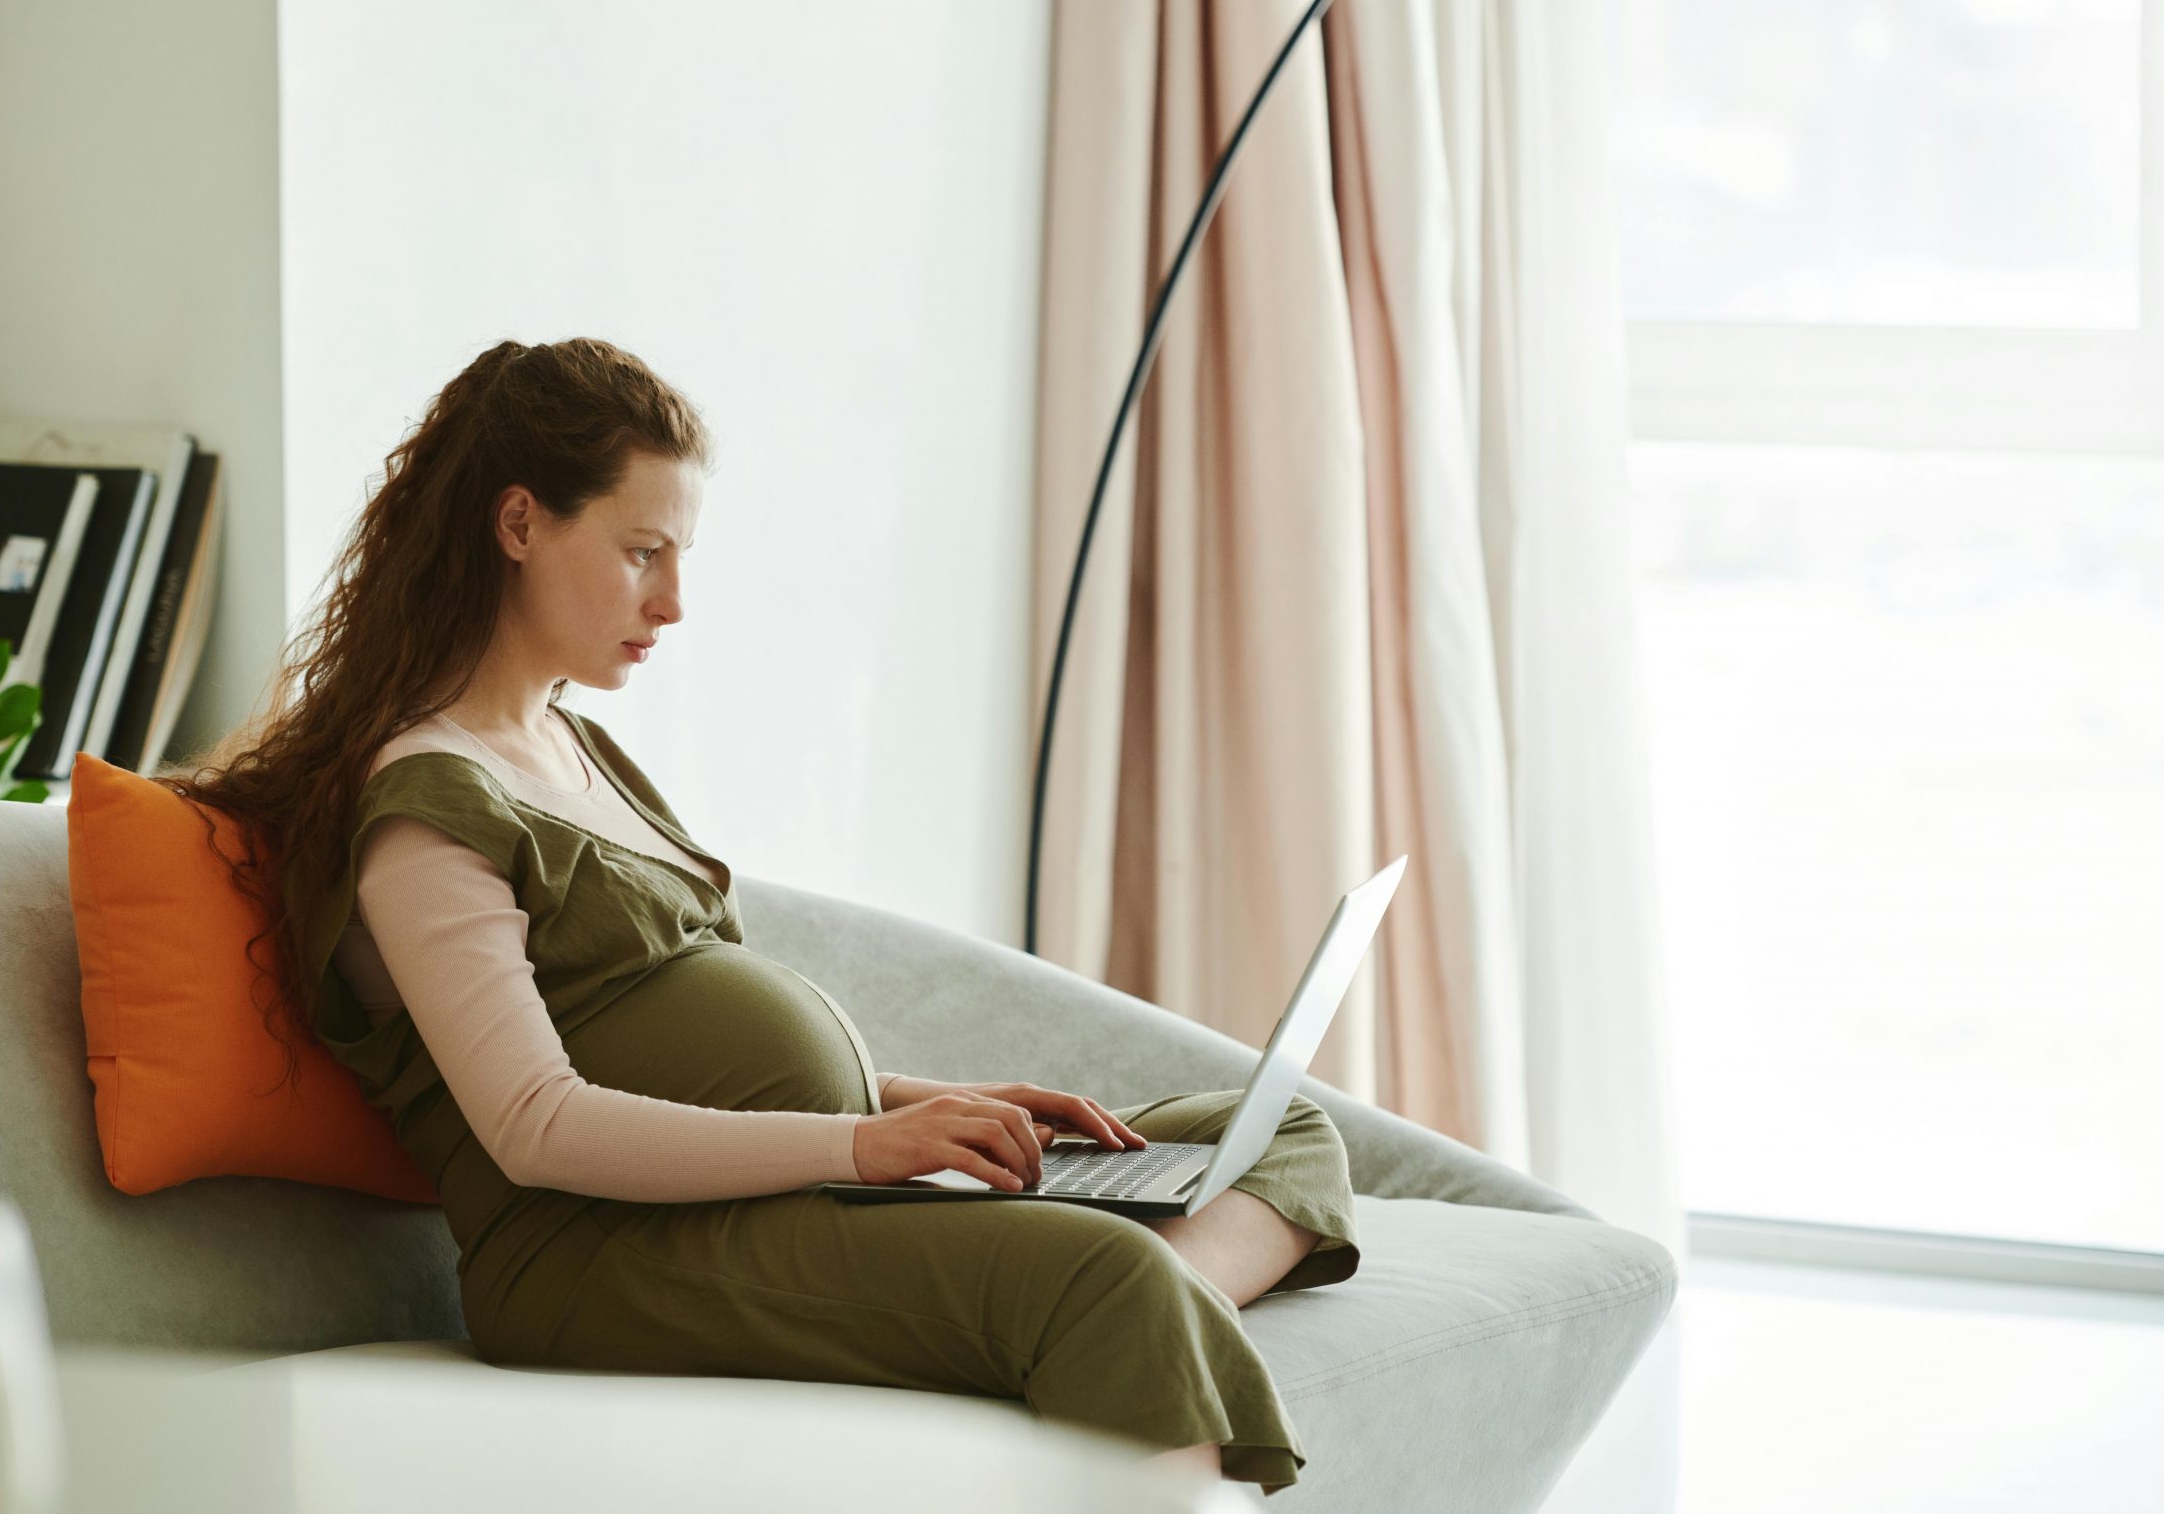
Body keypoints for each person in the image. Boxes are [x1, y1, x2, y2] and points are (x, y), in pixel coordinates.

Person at [162, 338, 1361, 1494]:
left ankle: (1087, 1304)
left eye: (677, 557)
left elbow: (701, 1047)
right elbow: (535, 1124)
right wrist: (862, 1147)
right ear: (519, 523)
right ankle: (1088, 1305)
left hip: (779, 1189)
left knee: (1275, 1131)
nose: (673, 602)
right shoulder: (425, 800)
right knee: (1102, 1275)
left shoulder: (579, 749)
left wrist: (924, 1105)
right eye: (641, 553)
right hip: (600, 1255)